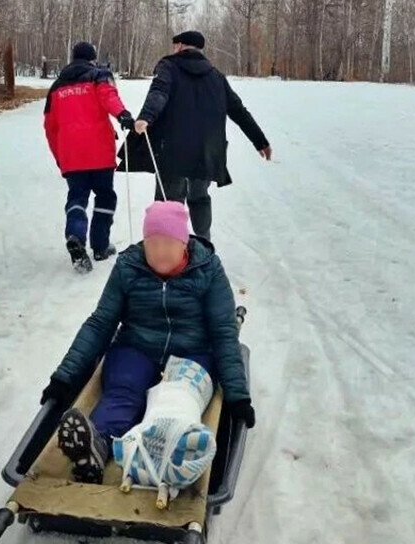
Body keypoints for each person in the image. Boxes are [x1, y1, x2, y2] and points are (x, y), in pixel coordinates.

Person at [39, 201, 257, 484]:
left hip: (193, 352)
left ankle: (166, 447)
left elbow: (224, 332)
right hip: (137, 347)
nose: (160, 252)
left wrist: (237, 395)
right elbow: (101, 322)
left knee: (178, 397)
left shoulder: (208, 270)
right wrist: (65, 376)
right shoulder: (129, 266)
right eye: (152, 243)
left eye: (168, 243)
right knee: (123, 392)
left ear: (184, 244)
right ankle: (97, 444)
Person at [121, 31, 272, 242]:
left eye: (175, 45)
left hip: (173, 151)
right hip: (207, 152)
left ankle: (167, 251)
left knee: (169, 204)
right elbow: (238, 110)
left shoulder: (169, 67)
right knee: (199, 198)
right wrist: (260, 141)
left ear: (180, 46)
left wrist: (146, 116)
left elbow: (159, 91)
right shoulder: (216, 76)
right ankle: (204, 245)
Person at [44, 42, 136, 273]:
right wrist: (122, 115)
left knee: (77, 196)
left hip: (71, 155)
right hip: (99, 153)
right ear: (92, 59)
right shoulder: (98, 76)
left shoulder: (56, 87)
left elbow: (49, 127)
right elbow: (109, 97)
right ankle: (100, 246)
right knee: (105, 196)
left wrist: (59, 157)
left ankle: (75, 233)